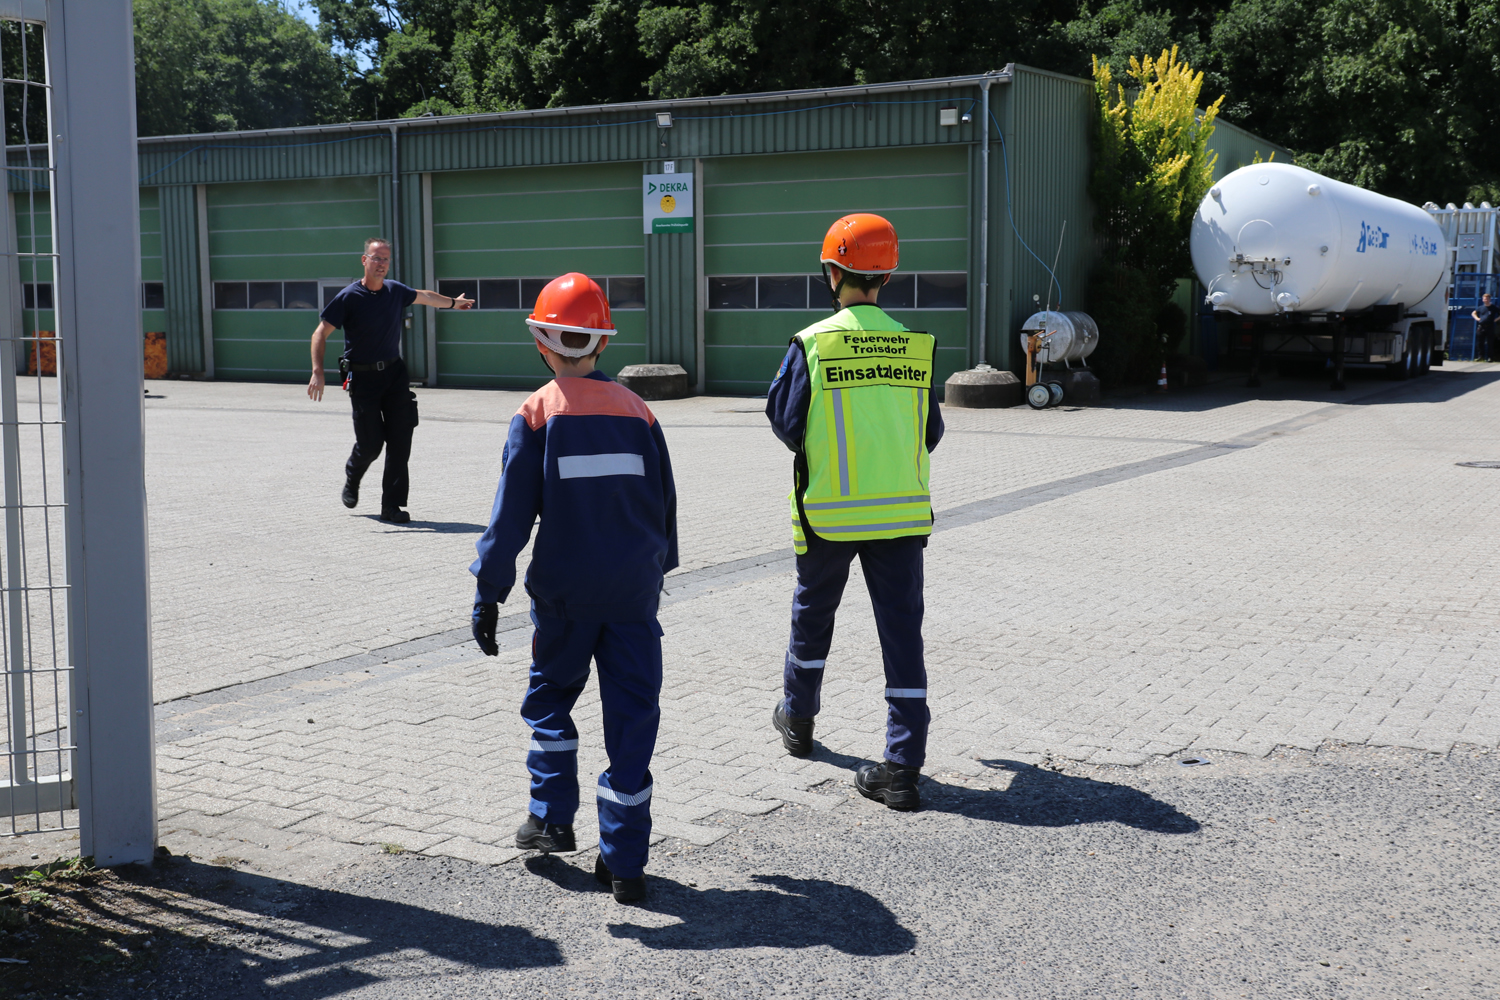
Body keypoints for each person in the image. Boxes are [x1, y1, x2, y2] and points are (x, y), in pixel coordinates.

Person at [469, 272, 678, 904]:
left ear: (541, 343)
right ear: (602, 343)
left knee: (551, 700)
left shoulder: (536, 413)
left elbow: (510, 517)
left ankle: (551, 819)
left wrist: (489, 590)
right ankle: (625, 863)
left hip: (563, 600)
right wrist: (653, 573)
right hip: (632, 598)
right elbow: (664, 507)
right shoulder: (639, 412)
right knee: (633, 720)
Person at [765, 213, 943, 812]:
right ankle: (902, 768)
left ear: (832, 272)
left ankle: (798, 718)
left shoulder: (813, 344)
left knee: (813, 618)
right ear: (886, 277)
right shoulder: (915, 347)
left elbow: (787, 423)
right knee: (903, 636)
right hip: (900, 519)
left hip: (830, 517)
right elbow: (931, 431)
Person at [307, 237, 473, 523]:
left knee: (400, 439)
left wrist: (452, 303)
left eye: (385, 259)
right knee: (371, 444)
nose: (381, 263)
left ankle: (391, 506)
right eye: (376, 258)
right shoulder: (349, 297)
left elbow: (425, 296)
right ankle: (353, 476)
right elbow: (320, 333)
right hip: (363, 378)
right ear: (364, 260)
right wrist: (317, 371)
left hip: (394, 374)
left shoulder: (395, 291)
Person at [1471, 292, 1499, 361]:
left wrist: (1496, 319)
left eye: (1487, 299)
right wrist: (1477, 318)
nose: (1485, 300)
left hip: (1490, 327)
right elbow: (1473, 313)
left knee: (1490, 342)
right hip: (1481, 327)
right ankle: (1481, 357)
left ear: (1489, 299)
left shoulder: (1493, 307)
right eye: (1484, 299)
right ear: (1482, 300)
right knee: (1480, 342)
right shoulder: (1481, 307)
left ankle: (1490, 357)